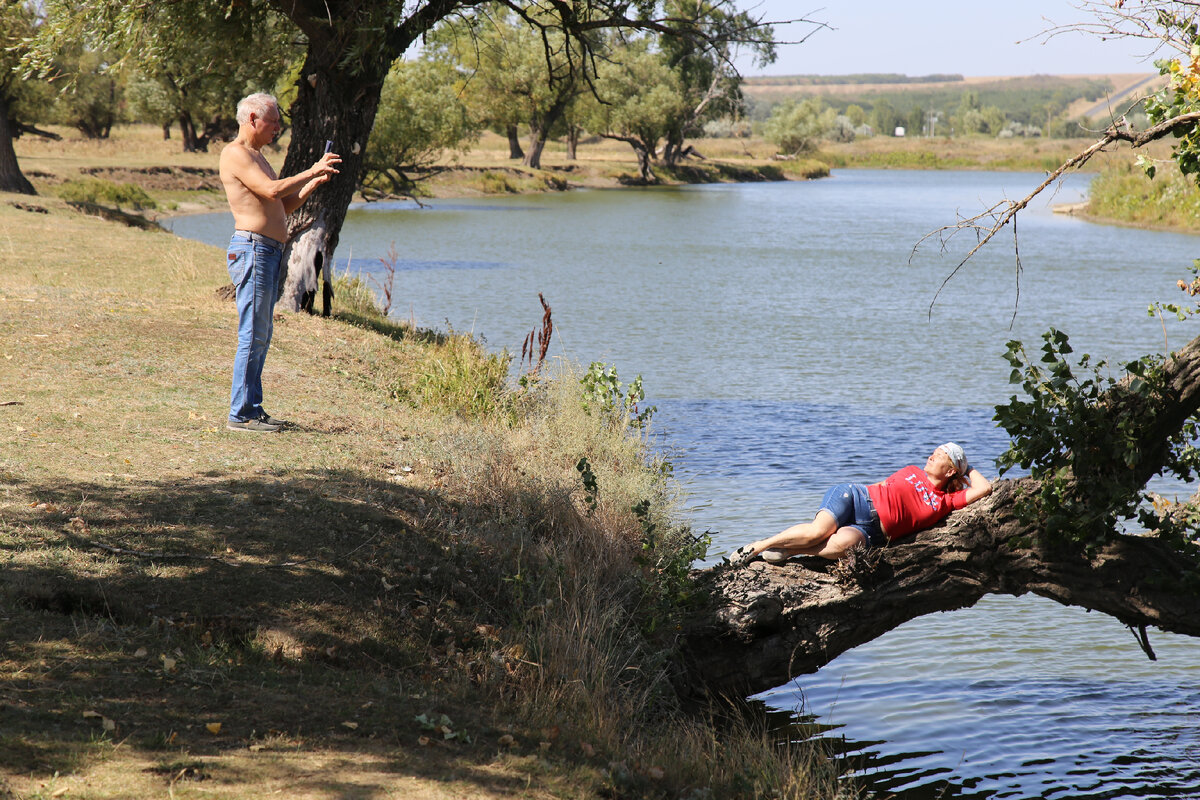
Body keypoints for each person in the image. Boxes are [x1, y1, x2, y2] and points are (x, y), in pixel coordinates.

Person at [219, 92, 341, 432]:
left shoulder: (257, 157)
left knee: (262, 334)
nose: (277, 128)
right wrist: (311, 168)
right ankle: (240, 414)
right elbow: (273, 191)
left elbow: (281, 207)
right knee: (252, 334)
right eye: (273, 121)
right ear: (253, 119)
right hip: (253, 250)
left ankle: (252, 409)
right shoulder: (236, 154)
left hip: (268, 251)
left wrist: (313, 183)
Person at [732, 442, 993, 563]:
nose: (930, 457)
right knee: (817, 532)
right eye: (933, 453)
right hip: (857, 498)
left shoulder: (947, 501)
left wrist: (965, 466)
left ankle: (790, 551)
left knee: (844, 545)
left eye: (938, 457)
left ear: (950, 472)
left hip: (870, 531)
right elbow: (880, 486)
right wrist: (954, 463)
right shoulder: (913, 470)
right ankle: (758, 547)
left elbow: (985, 488)